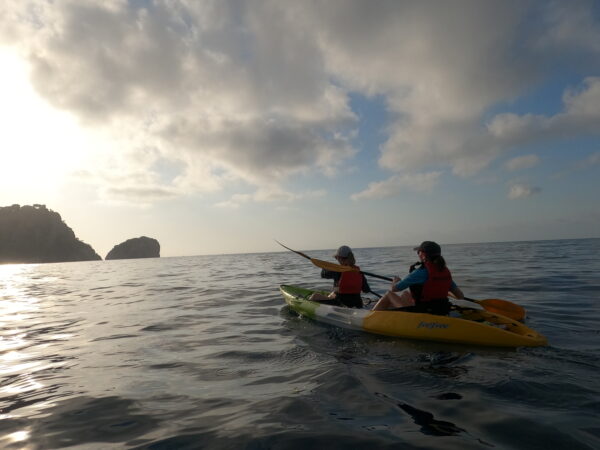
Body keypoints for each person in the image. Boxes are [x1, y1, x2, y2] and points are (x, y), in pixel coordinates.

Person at [372, 241, 464, 315]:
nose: (418, 254)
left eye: (418, 252)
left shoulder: (419, 272)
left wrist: (395, 281)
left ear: (423, 255)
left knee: (389, 294)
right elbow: (460, 296)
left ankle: (370, 317)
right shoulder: (444, 272)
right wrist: (443, 291)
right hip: (442, 309)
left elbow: (395, 289)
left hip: (422, 312)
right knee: (405, 294)